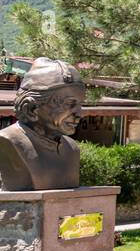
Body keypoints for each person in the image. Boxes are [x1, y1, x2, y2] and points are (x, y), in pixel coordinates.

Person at [0, 57, 86, 191]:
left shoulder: (71, 149)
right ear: (31, 109)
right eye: (69, 104)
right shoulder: (7, 141)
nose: (79, 113)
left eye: (80, 104)